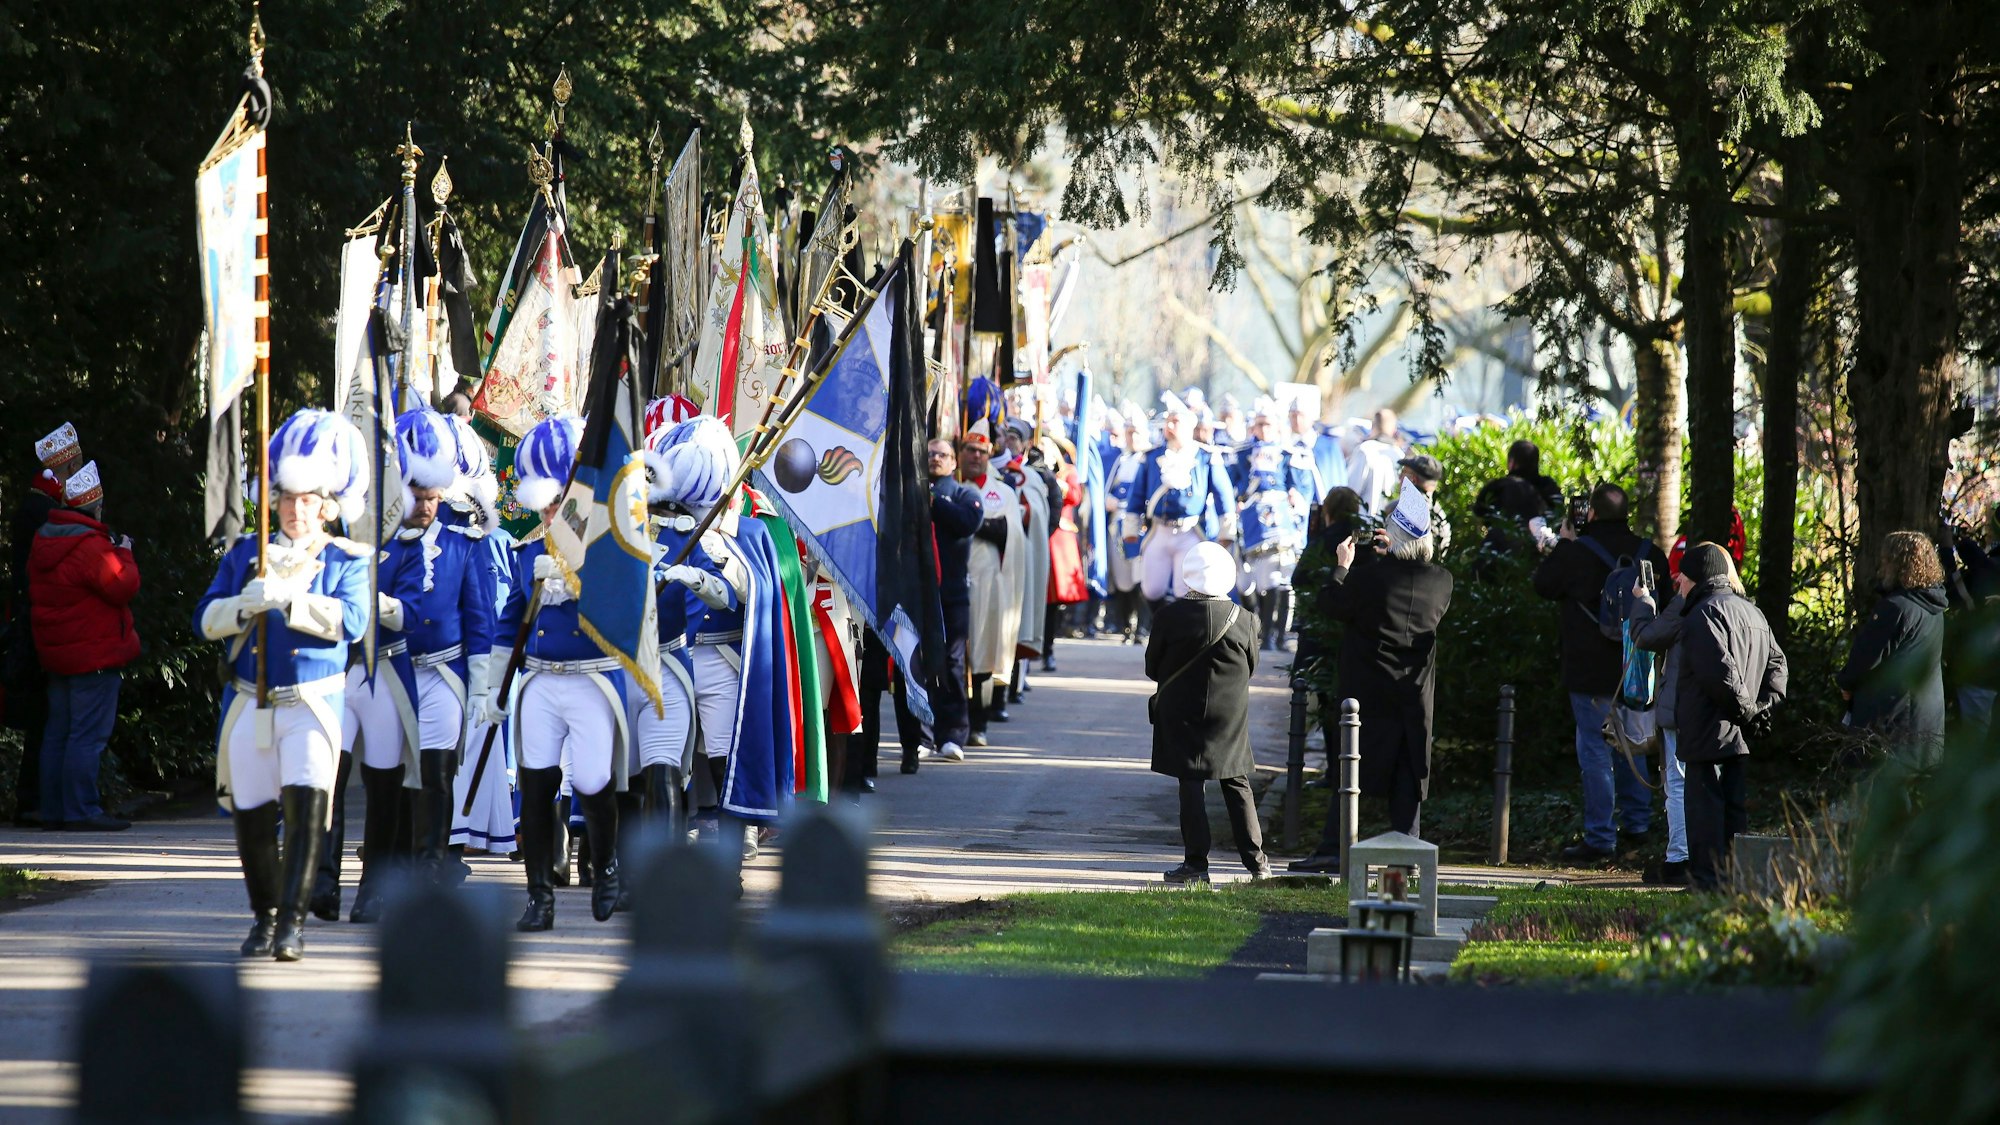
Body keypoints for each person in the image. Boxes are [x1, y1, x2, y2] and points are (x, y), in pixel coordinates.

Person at [194, 409, 372, 962]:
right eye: (289, 498)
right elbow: (203, 619)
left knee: (305, 807)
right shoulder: (247, 553)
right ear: (274, 500)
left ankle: (292, 923)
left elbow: (354, 622)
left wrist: (292, 602)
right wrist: (242, 606)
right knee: (250, 813)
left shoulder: (347, 558)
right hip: (252, 699)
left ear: (327, 504)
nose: (298, 510)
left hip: (314, 703)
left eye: (309, 499)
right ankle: (264, 915)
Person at [485, 415, 631, 931]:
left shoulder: (607, 550)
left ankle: (608, 864)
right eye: (544, 505)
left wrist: (575, 580)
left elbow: (622, 603)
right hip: (542, 682)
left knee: (593, 780)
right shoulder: (529, 551)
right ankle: (539, 895)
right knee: (537, 784)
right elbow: (508, 627)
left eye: (557, 503)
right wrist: (493, 687)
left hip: (592, 677)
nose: (549, 513)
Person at [391, 411, 495, 886]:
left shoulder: (462, 538)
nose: (426, 504)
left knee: (436, 771)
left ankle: (432, 864)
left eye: (433, 495)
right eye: (418, 492)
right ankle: (396, 863)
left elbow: (479, 618)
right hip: (392, 670)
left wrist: (480, 686)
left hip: (445, 672)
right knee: (392, 774)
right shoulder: (380, 537)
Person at [1317, 487, 1453, 839]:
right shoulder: (1442, 582)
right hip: (1415, 692)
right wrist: (1387, 556)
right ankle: (1406, 852)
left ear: (1391, 537)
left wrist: (1343, 566)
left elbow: (1332, 603)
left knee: (1353, 768)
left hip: (1367, 689)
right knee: (1407, 771)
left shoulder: (1368, 579)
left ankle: (1336, 847)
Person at [1531, 482, 1654, 861]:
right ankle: (1638, 826)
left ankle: (1600, 837)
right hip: (1637, 667)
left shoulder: (1576, 553)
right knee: (1636, 745)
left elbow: (1542, 584)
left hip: (1588, 671)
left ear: (1592, 514)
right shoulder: (1651, 553)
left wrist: (1565, 542)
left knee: (1596, 750)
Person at [1147, 541, 1269, 884]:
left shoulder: (1168, 617)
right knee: (1236, 781)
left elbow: (1152, 667)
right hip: (1228, 715)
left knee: (1190, 783)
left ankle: (1196, 864)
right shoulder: (1245, 620)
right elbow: (1252, 667)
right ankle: (1257, 862)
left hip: (1181, 712)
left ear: (1188, 575)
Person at [28, 460, 139, 832]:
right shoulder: (90, 545)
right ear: (95, 506)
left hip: (57, 653)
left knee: (58, 731)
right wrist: (123, 551)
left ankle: (55, 809)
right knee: (87, 735)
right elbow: (122, 586)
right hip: (93, 654)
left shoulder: (44, 539)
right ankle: (81, 810)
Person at [1673, 542, 1787, 891]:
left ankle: (1708, 883)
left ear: (1694, 579)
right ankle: (1735, 880)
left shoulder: (1702, 615)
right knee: (1734, 813)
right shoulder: (1752, 612)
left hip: (1709, 731)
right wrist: (1763, 708)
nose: (1677, 585)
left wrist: (1750, 711)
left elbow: (1718, 674)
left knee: (1705, 812)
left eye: (1681, 578)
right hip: (1739, 736)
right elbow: (1777, 666)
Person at [7, 423, 86, 827]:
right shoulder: (46, 514)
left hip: (38, 619)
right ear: (66, 464)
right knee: (47, 716)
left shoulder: (34, 507)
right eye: (75, 463)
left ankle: (37, 798)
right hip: (43, 624)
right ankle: (36, 799)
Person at [1838, 530, 1948, 766]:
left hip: (1892, 723)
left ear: (1899, 565)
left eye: (1886, 560)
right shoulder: (1934, 609)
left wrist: (1846, 683)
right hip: (1926, 721)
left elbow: (1865, 659)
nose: (1881, 566)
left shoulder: (1896, 608)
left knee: (1877, 793)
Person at [1125, 394, 1236, 613]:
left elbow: (1223, 495)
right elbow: (1136, 495)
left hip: (1191, 532)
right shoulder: (1151, 456)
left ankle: (1179, 635)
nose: (1170, 426)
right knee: (1151, 588)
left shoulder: (1205, 457)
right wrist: (1130, 527)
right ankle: (1161, 624)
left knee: (1184, 589)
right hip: (1159, 529)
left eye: (1176, 421)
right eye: (1169, 421)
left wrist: (1227, 531)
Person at [1631, 554, 1696, 886]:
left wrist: (1644, 602)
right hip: (1719, 712)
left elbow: (1645, 636)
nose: (1678, 581)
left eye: (1683, 576)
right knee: (1709, 785)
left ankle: (1679, 858)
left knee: (1678, 783)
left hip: (1680, 708)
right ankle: (1706, 855)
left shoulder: (1686, 605)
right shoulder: (1740, 606)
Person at [919, 438, 983, 769]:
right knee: (919, 663)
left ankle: (953, 735)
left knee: (953, 665)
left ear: (953, 462)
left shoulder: (963, 494)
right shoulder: (912, 493)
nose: (935, 459)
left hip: (953, 593)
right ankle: (921, 736)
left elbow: (967, 522)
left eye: (942, 455)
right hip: (919, 592)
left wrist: (933, 502)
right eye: (930, 454)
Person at [961, 424, 1024, 748]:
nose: (975, 456)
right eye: (970, 450)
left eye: (982, 452)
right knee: (955, 655)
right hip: (956, 582)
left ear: (990, 456)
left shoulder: (1004, 492)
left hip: (989, 582)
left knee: (984, 652)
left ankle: (979, 722)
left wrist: (970, 520)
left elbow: (1008, 534)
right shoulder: (952, 485)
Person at [1232, 403, 1314, 651]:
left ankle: (1278, 636)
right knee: (1261, 578)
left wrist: (1293, 494)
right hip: (1254, 522)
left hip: (1283, 521)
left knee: (1283, 578)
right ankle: (1264, 633)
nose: (1264, 429)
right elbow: (1235, 483)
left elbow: (1300, 486)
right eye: (1260, 424)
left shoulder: (1289, 452)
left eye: (1268, 424)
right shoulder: (1242, 453)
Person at [1105, 415, 1150, 643]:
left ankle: (1142, 627)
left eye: (1137, 432)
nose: (1133, 437)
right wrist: (1108, 500)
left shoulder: (1150, 459)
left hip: (1141, 524)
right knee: (1122, 577)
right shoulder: (1120, 460)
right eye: (1129, 432)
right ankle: (1125, 625)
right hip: (1118, 525)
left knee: (1142, 577)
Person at [1345, 409, 1403, 515]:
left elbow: (1351, 490)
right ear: (1394, 429)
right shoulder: (1399, 455)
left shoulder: (1365, 450)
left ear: (1372, 425)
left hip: (1364, 522)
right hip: (1389, 524)